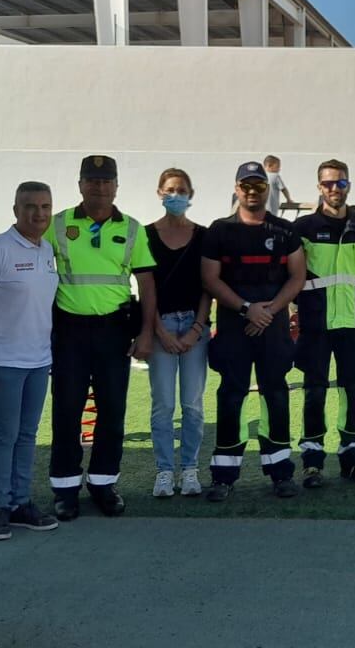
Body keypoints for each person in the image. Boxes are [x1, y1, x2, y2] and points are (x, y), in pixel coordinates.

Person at [48, 155, 157, 520]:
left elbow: (146, 284)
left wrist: (145, 333)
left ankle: (103, 484)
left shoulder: (132, 228)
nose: (98, 187)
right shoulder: (57, 224)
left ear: (116, 186)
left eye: (105, 180)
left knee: (112, 410)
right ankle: (64, 489)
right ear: (80, 184)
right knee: (66, 410)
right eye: (91, 180)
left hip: (114, 331)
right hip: (69, 330)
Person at [0, 181, 62, 540]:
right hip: (1, 359)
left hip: (38, 360)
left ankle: (21, 504)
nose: (39, 214)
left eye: (46, 207)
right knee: (3, 435)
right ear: (15, 210)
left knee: (27, 435)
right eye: (31, 206)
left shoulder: (48, 250)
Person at [202, 161, 307, 500]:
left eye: (258, 186)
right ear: (236, 188)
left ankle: (280, 473)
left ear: (267, 189)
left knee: (275, 394)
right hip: (235, 324)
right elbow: (210, 279)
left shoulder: (285, 230)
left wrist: (270, 310)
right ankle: (224, 476)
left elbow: (297, 276)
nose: (251, 191)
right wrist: (247, 309)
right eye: (245, 185)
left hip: (273, 326)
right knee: (232, 395)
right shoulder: (219, 231)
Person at [292, 159, 355, 487]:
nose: (334, 189)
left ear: (348, 186)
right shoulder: (301, 229)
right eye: (328, 183)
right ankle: (312, 462)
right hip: (316, 325)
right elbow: (291, 273)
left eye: (340, 183)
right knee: (314, 392)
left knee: (353, 392)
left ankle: (352, 459)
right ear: (319, 187)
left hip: (353, 325)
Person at [145, 168, 212, 498]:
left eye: (182, 189)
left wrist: (197, 328)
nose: (176, 195)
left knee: (193, 404)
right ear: (159, 192)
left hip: (194, 328)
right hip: (161, 327)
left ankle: (189, 470)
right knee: (163, 404)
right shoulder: (145, 235)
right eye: (170, 189)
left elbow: (207, 287)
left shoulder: (203, 236)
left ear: (191, 194)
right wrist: (160, 330)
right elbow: (146, 289)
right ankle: (163, 471)